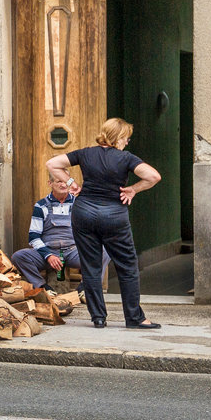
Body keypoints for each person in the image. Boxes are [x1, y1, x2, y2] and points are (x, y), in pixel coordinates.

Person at [47, 117, 161, 329]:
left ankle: (98, 318)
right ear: (118, 137)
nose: (127, 142)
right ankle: (134, 318)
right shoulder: (126, 158)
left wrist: (72, 183)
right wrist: (133, 189)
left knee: (90, 266)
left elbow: (52, 164)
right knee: (127, 266)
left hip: (84, 213)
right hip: (113, 216)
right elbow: (153, 176)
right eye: (126, 138)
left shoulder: (85, 153)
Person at [11, 175, 102, 289]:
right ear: (50, 183)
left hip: (73, 253)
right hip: (48, 252)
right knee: (19, 257)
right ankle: (43, 287)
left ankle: (86, 288)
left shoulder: (80, 204)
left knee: (104, 251)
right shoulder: (41, 206)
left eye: (66, 182)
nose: (63, 185)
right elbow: (33, 237)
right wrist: (48, 255)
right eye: (59, 181)